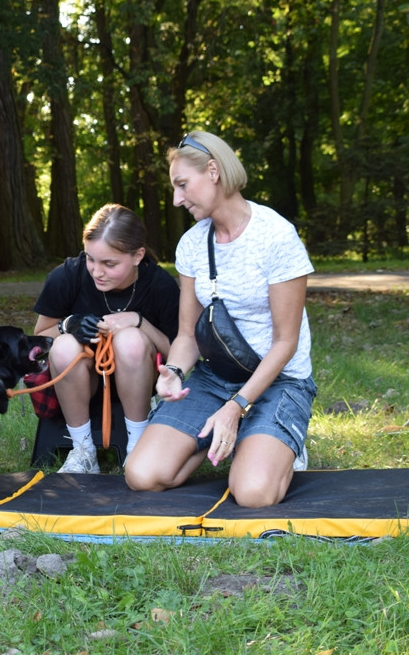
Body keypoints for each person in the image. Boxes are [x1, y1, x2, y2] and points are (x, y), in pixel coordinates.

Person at [124, 131, 317, 507]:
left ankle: (274, 441)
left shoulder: (276, 236)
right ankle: (232, 434)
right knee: (142, 475)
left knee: (253, 493)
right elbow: (186, 334)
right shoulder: (193, 244)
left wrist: (236, 407)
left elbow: (286, 343)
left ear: (213, 171)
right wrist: (175, 373)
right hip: (217, 378)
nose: (177, 199)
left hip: (280, 380)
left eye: (182, 185)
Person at [32, 204, 180, 474]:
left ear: (138, 256)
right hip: (80, 382)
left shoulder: (160, 285)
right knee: (64, 345)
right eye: (90, 259)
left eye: (109, 264)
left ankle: (138, 446)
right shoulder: (67, 275)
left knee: (130, 340)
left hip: (141, 378)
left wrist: (139, 322)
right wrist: (68, 324)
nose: (97, 271)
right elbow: (38, 340)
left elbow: (177, 354)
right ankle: (83, 451)